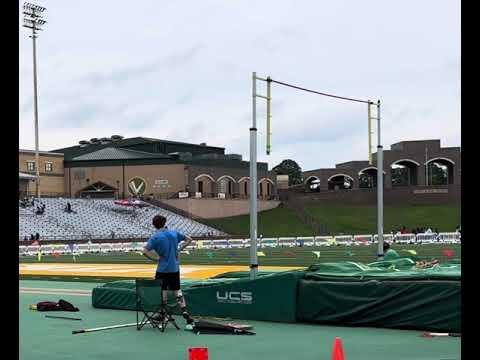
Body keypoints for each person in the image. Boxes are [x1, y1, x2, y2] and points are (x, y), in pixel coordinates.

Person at [142, 215, 194, 328]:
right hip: (174, 268)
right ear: (165, 222)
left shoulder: (155, 237)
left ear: (154, 225)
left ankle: (163, 314)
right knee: (177, 290)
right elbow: (189, 239)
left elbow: (145, 252)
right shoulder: (174, 233)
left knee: (163, 291)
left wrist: (155, 259)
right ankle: (185, 311)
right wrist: (179, 249)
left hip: (162, 269)